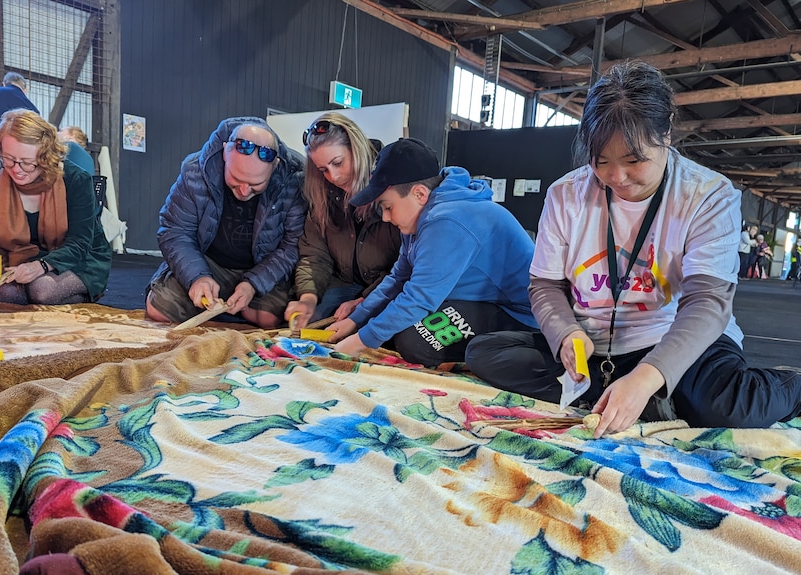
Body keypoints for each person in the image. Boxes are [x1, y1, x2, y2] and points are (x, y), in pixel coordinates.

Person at [464, 61, 801, 438]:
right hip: (596, 346)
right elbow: (544, 287)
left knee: (730, 408)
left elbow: (707, 303)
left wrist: (647, 376)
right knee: (486, 354)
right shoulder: (565, 195)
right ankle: (640, 394)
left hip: (672, 338)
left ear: (667, 131)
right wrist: (566, 334)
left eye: (634, 160)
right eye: (601, 161)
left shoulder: (708, 194)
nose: (616, 177)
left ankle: (785, 386)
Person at [326, 137, 538, 367]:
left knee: (415, 341)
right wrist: (355, 321)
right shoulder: (418, 215)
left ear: (419, 194)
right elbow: (399, 278)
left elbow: (419, 297)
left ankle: (519, 350)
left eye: (388, 207)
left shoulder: (446, 219)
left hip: (519, 314)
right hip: (481, 301)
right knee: (392, 325)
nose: (385, 217)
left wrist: (359, 342)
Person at [146, 117, 305, 329]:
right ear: (224, 153)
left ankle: (228, 309)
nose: (244, 191)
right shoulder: (195, 170)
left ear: (275, 166)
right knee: (158, 308)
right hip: (209, 262)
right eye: (236, 179)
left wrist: (253, 284)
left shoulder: (294, 177)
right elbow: (175, 231)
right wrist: (197, 277)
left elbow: (292, 245)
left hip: (261, 264)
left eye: (256, 184)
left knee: (269, 318)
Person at [0, 109, 111, 304]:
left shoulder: (76, 180)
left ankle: (86, 294)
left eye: (27, 162)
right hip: (17, 260)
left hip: (77, 259)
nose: (16, 169)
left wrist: (41, 265)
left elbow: (80, 242)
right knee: (3, 294)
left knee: (42, 290)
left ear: (45, 156)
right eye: (8, 159)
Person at [284, 112, 400, 329]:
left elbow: (405, 267)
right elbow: (314, 254)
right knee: (313, 324)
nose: (334, 176)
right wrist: (308, 297)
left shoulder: (391, 182)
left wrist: (365, 301)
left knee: (371, 327)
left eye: (338, 162)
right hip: (345, 283)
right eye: (323, 170)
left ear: (356, 149)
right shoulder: (321, 193)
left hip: (387, 285)